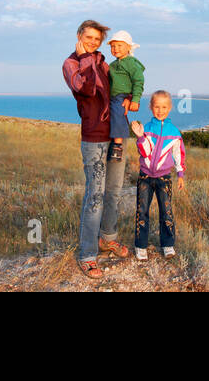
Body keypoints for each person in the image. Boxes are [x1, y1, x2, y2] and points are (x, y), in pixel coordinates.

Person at [62, 19, 131, 279]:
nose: (92, 42)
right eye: (88, 37)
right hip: (94, 139)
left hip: (116, 134)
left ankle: (108, 239)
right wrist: (86, 58)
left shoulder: (102, 61)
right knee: (95, 197)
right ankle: (88, 254)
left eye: (96, 39)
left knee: (113, 192)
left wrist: (127, 99)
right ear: (79, 35)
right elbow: (86, 89)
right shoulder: (71, 64)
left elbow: (116, 89)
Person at [132, 90, 187, 261]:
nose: (160, 110)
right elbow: (145, 152)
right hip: (145, 177)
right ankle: (141, 246)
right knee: (142, 211)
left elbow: (179, 154)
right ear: (151, 107)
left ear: (170, 108)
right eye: (157, 106)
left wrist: (180, 174)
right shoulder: (146, 129)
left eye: (164, 107)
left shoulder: (174, 132)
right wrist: (141, 137)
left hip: (164, 178)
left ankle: (168, 244)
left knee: (166, 212)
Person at [106, 31, 145, 162]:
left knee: (118, 113)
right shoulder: (113, 65)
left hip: (121, 96)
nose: (115, 49)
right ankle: (111, 139)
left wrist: (135, 99)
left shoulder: (132, 63)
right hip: (111, 96)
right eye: (112, 46)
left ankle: (117, 145)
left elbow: (138, 82)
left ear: (128, 47)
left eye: (119, 45)